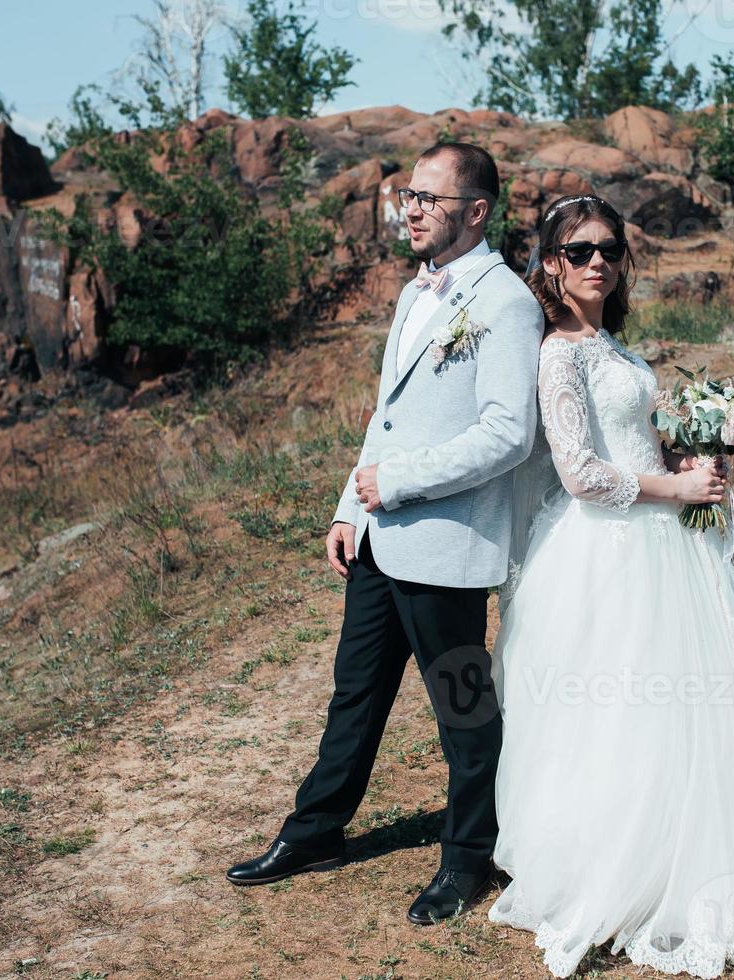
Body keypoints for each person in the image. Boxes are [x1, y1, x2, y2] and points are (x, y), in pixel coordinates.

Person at [487, 194, 734, 977]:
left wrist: (687, 459)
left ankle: (699, 856)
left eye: (609, 249)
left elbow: (636, 441)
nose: (598, 263)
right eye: (579, 252)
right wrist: (673, 491)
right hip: (603, 551)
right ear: (551, 264)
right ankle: (611, 867)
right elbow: (579, 474)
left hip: (659, 539)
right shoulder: (558, 354)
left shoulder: (614, 346)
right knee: (616, 710)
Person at [225, 141, 544, 927]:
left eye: (429, 199)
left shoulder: (506, 304)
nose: (412, 209)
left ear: (476, 211)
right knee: (354, 697)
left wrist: (396, 484)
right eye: (409, 195)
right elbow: (387, 415)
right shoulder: (414, 295)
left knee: (464, 715)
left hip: (448, 549)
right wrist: (349, 506)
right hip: (377, 540)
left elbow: (509, 434)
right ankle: (315, 833)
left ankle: (468, 858)